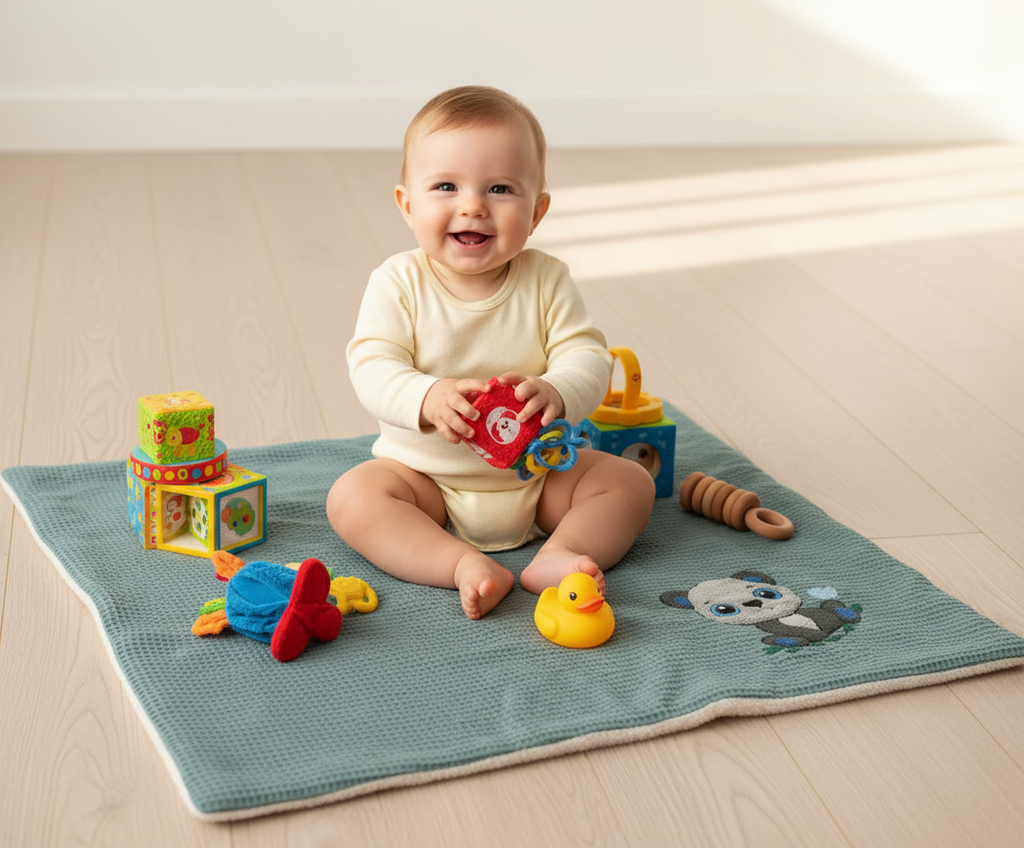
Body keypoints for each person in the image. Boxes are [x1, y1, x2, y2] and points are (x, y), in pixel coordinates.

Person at [327, 85, 655, 619]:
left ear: (537, 210)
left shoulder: (547, 279)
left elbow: (587, 355)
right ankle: (459, 564)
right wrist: (427, 397)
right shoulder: (398, 282)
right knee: (353, 498)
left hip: (540, 473)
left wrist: (558, 390)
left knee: (628, 482)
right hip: (425, 479)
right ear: (408, 206)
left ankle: (559, 554)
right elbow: (371, 365)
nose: (473, 205)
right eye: (446, 186)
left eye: (500, 188)